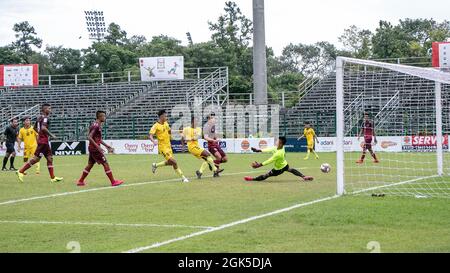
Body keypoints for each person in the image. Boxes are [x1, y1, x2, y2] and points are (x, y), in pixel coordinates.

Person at [16, 103, 63, 183]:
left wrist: (40, 134)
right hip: (43, 142)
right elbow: (43, 128)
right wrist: (51, 135)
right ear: (44, 110)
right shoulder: (45, 118)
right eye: (49, 108)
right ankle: (20, 171)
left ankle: (53, 177)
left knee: (49, 158)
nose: (50, 110)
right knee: (36, 159)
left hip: (43, 141)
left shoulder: (39, 118)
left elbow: (34, 128)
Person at [76, 111, 123, 187]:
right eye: (103, 116)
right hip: (95, 149)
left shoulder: (96, 124)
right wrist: (98, 147)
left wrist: (107, 146)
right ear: (99, 117)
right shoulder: (96, 126)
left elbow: (98, 139)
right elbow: (89, 137)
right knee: (105, 163)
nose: (105, 118)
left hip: (92, 148)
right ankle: (113, 182)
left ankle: (80, 181)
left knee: (90, 164)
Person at [244, 136, 314, 182]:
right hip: (285, 164)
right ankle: (304, 177)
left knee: (266, 175)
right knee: (291, 169)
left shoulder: (279, 153)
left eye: (277, 141)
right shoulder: (280, 147)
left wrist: (260, 165)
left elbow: (270, 160)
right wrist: (258, 150)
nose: (276, 141)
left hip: (278, 169)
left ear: (280, 143)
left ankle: (252, 179)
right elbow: (270, 149)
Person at [150, 109, 189, 183]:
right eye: (165, 116)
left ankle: (155, 165)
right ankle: (183, 177)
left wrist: (179, 132)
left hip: (168, 146)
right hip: (163, 147)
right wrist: (153, 141)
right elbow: (150, 135)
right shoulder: (155, 126)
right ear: (161, 117)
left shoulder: (166, 123)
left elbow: (169, 131)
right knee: (174, 162)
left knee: (171, 162)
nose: (166, 117)